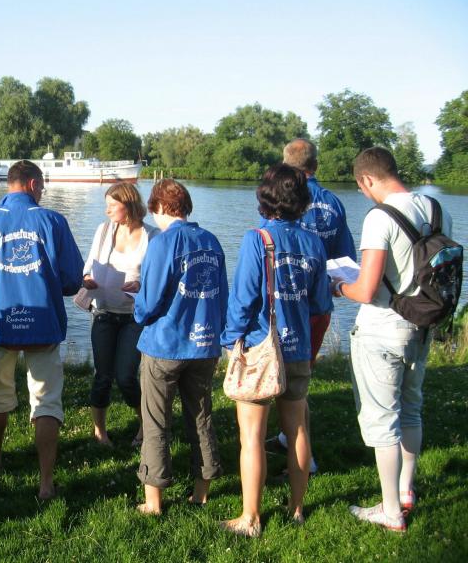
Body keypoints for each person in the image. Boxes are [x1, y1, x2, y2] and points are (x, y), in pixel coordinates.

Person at [335, 147, 453, 532]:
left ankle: (390, 511)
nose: (364, 193)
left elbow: (367, 289)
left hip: (382, 330)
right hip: (422, 325)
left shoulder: (379, 218)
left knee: (383, 420)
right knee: (411, 409)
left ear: (368, 179)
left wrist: (339, 286)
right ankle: (406, 490)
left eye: (362, 186)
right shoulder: (438, 210)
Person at [0, 160, 83, 499]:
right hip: (44, 324)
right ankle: (46, 482)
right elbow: (72, 279)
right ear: (31, 184)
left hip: (0, 321)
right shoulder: (53, 221)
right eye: (41, 186)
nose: (42, 192)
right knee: (46, 400)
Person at [220, 164, 332, 536]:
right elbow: (320, 303)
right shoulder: (314, 242)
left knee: (252, 435)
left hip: (259, 347)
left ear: (265, 197)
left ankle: (250, 518)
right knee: (297, 429)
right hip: (298, 347)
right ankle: (296, 509)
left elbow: (243, 299)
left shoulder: (258, 239)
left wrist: (229, 341)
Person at [133, 179, 228, 515]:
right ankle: (202, 491)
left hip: (165, 344)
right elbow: (222, 295)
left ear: (160, 207)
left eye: (154, 211)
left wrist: (137, 309)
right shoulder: (211, 241)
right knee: (201, 417)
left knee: (156, 421)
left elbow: (150, 301)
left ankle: (154, 500)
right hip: (204, 344)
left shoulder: (162, 243)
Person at [270, 138, 357, 470]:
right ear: (315, 165)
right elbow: (345, 259)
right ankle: (287, 439)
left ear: (284, 165)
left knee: (286, 383)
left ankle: (303, 456)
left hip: (286, 303)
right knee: (300, 378)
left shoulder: (281, 196)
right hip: (319, 306)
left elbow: (269, 245)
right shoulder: (333, 202)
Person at [82, 183, 159, 447]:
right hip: (103, 311)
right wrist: (87, 278)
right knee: (102, 376)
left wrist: (140, 284)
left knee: (126, 376)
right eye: (107, 205)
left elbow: (159, 278)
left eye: (112, 205)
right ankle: (99, 432)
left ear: (129, 205)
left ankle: (145, 424)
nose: (107, 210)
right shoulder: (103, 231)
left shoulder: (153, 236)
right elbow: (89, 265)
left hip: (133, 316)